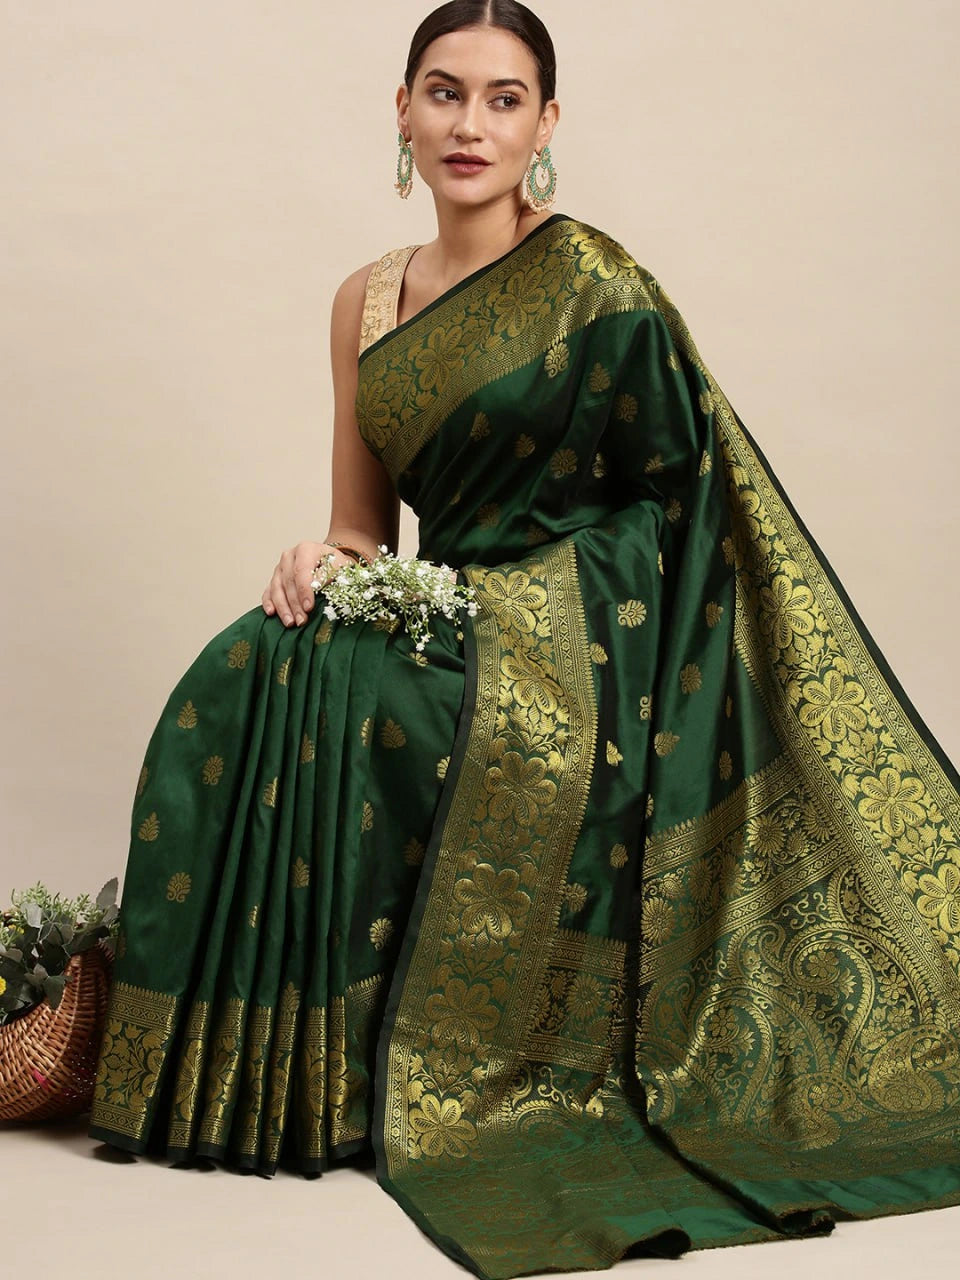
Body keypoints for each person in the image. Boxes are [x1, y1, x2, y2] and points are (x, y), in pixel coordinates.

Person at [88, 2, 960, 1277]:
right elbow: (358, 527)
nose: (470, 125)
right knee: (253, 663)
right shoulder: (365, 302)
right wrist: (314, 561)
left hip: (583, 663)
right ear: (401, 111)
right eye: (445, 94)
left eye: (504, 100)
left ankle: (360, 1076)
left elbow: (685, 508)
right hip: (448, 624)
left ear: (547, 125)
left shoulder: (598, 283)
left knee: (366, 690)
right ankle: (259, 1078)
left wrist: (522, 604)